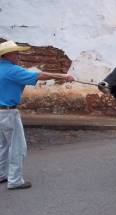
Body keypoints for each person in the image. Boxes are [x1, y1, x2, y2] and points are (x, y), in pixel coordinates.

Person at [0, 40, 75, 190]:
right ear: (7, 55)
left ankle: (2, 174)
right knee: (17, 147)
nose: (18, 55)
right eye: (16, 53)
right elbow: (39, 75)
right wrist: (63, 76)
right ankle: (15, 180)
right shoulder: (13, 70)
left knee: (3, 146)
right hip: (8, 112)